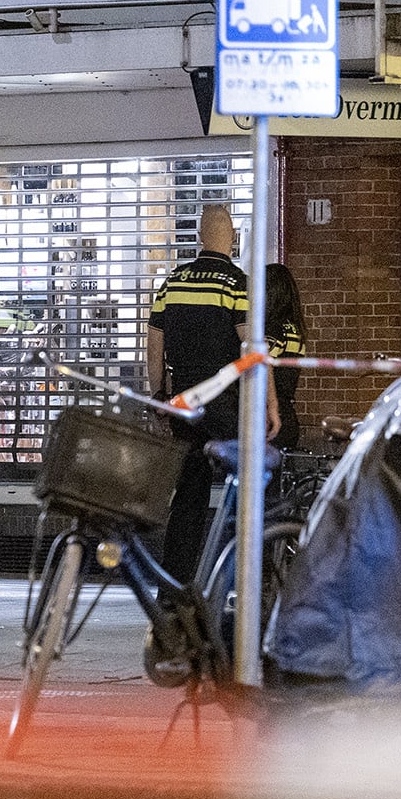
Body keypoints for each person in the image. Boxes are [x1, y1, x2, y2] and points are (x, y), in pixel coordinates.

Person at [146, 204, 278, 579]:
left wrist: (159, 398)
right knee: (250, 487)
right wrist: (270, 402)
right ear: (232, 238)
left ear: (201, 237)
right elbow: (254, 347)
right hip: (226, 401)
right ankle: (249, 579)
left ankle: (173, 586)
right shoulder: (237, 284)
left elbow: (154, 346)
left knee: (188, 497)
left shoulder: (173, 282)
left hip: (185, 401)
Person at [264, 263, 306, 450]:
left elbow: (262, 366)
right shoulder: (295, 329)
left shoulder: (274, 329)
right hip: (288, 413)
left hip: (271, 418)